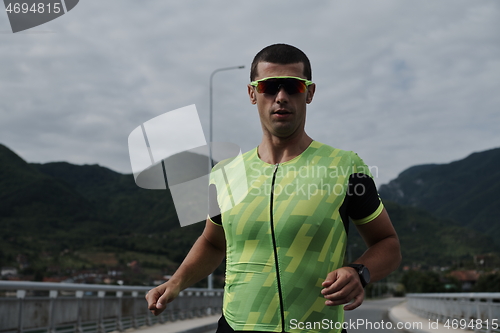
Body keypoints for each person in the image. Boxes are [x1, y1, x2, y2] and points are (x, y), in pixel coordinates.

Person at [146, 44, 401, 333]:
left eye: (293, 87)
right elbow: (213, 242)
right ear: (252, 94)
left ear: (310, 92)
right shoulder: (226, 174)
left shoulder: (344, 166)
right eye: (269, 87)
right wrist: (175, 282)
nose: (281, 97)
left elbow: (388, 244)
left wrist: (359, 272)